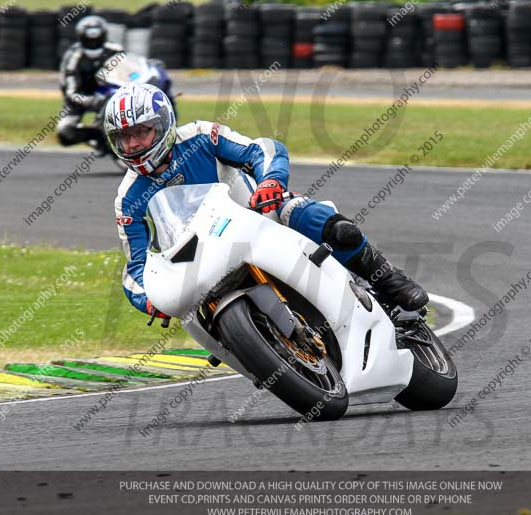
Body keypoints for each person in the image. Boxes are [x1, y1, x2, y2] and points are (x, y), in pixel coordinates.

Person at [106, 83, 428, 318]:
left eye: (140, 133)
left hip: (260, 215)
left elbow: (262, 149)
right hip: (201, 263)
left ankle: (387, 280)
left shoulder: (201, 136)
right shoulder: (128, 198)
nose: (132, 144)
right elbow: (136, 268)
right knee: (192, 316)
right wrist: (152, 300)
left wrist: (271, 181)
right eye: (124, 138)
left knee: (329, 226)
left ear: (162, 126)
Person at [56, 15, 124, 148]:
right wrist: (91, 100)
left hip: (113, 92)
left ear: (103, 37)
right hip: (81, 98)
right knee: (65, 133)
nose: (93, 44)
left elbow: (132, 66)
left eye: (97, 40)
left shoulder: (115, 50)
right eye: (89, 40)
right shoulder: (72, 57)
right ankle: (99, 136)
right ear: (81, 38)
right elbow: (70, 92)